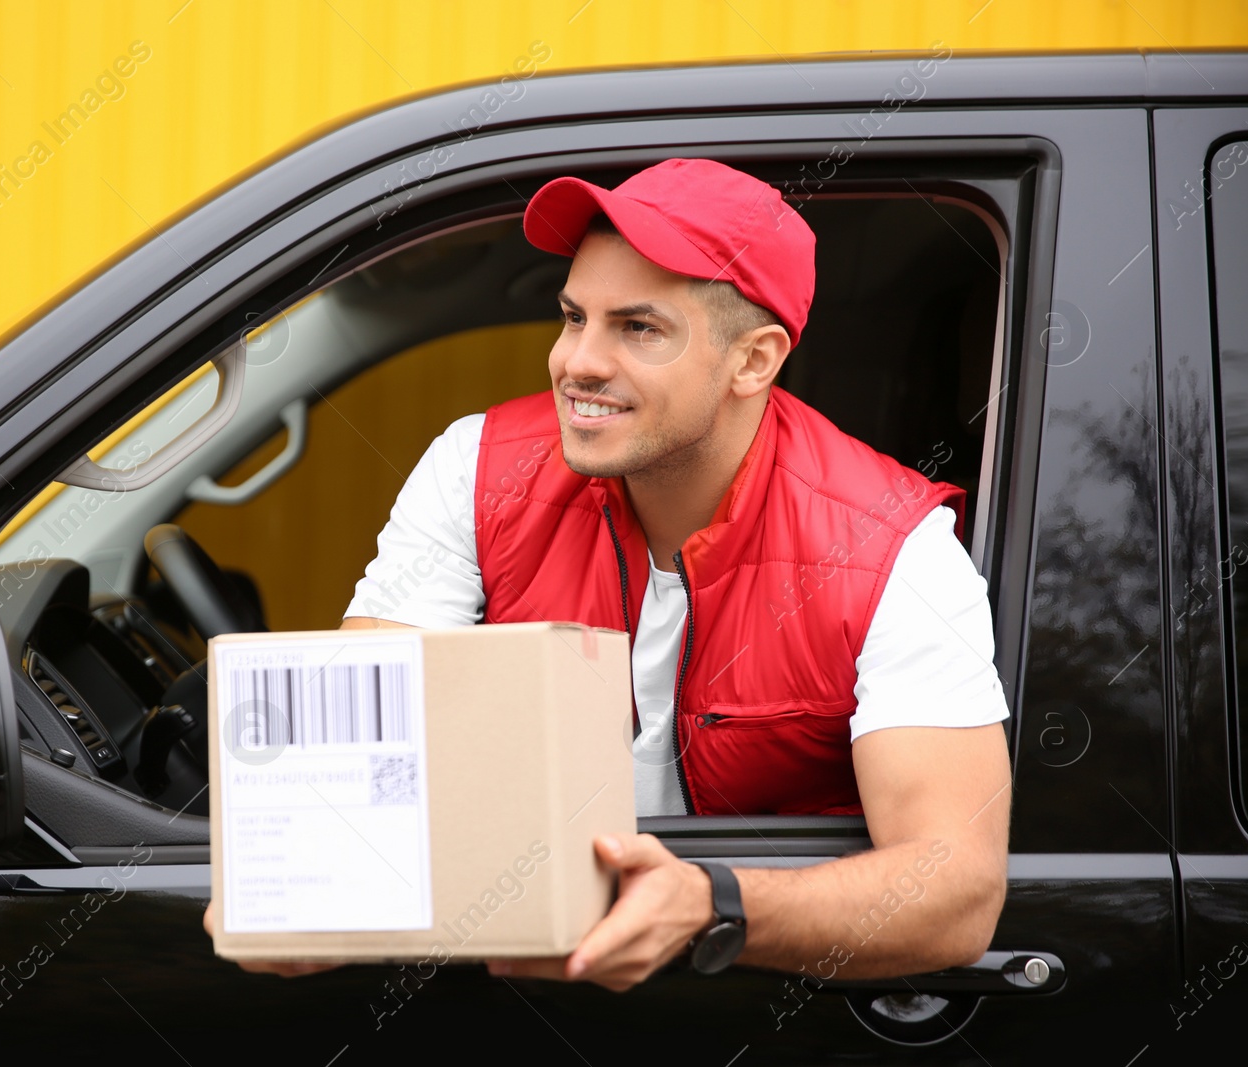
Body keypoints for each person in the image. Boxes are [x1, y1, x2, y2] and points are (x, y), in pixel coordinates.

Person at [248, 158, 1011, 991]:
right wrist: (300, 883)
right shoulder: (475, 470)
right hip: (520, 1003)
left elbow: (956, 891)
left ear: (753, 361)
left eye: (638, 328)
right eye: (574, 317)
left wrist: (711, 902)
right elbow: (362, 761)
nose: (578, 361)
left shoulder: (896, 549)